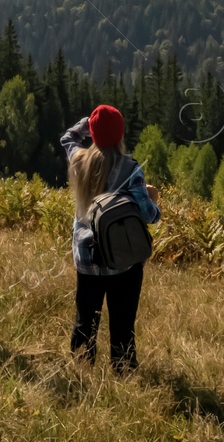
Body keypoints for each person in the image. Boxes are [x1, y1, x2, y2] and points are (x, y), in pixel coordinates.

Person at [60, 104, 160, 372]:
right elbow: (150, 216)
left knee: (85, 321)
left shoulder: (79, 160)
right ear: (121, 134)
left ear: (93, 133)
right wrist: (153, 198)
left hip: (86, 258)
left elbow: (67, 137)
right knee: (122, 324)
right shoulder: (130, 169)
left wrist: (89, 123)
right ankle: (123, 372)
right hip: (122, 260)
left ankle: (81, 371)